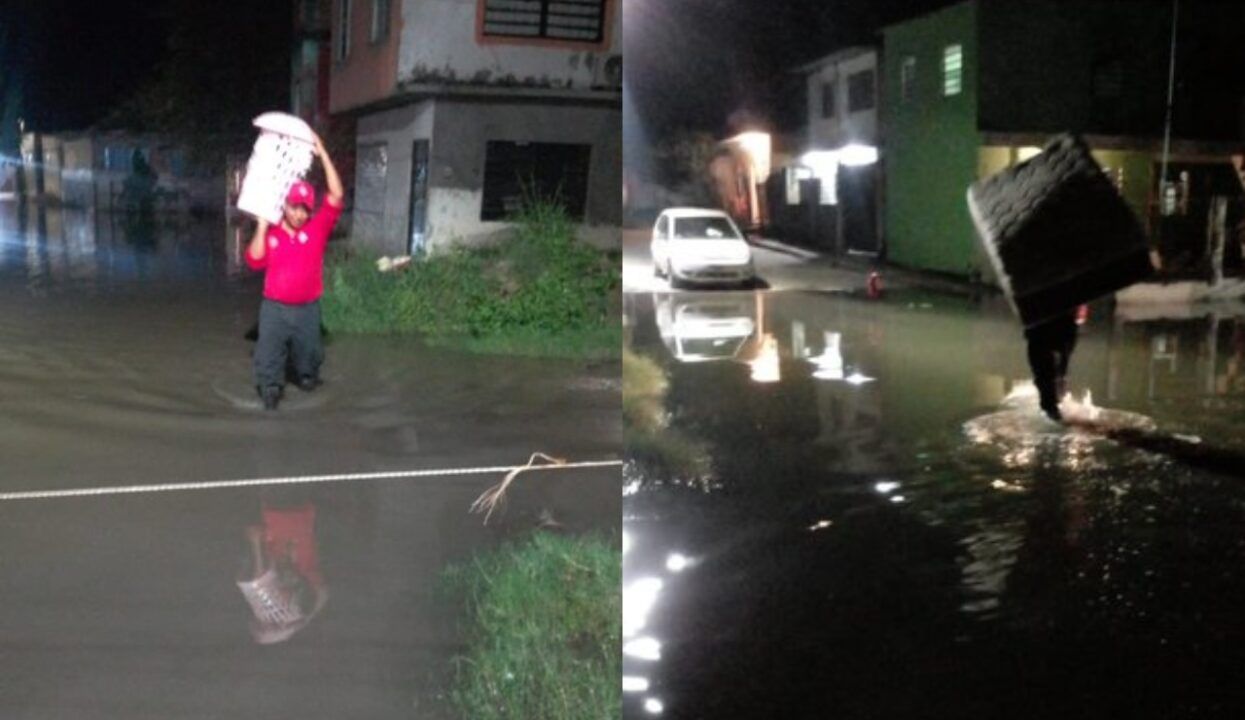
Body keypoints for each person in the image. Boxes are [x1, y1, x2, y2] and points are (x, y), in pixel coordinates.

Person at [245, 134, 344, 410]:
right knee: (268, 367)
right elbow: (254, 260)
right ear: (284, 204)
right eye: (294, 207)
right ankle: (271, 392)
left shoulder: (318, 228)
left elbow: (336, 195)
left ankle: (306, 375)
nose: (299, 214)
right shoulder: (272, 230)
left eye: (304, 209)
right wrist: (262, 226)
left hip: (307, 310)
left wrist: (322, 153)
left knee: (309, 368)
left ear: (310, 210)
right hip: (274, 309)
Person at [1024, 308, 1079, 421]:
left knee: (1047, 373)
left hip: (1043, 327)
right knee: (1054, 371)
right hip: (1058, 327)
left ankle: (1053, 407)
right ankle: (1054, 405)